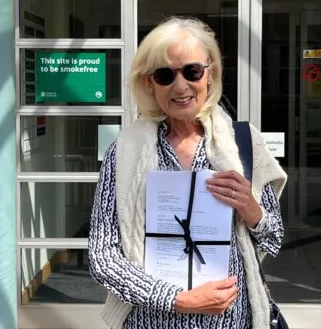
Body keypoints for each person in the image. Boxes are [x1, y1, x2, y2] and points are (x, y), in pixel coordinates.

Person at [88, 16, 287, 329]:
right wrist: (176, 299)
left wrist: (253, 211)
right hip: (150, 322)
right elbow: (103, 257)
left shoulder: (244, 143)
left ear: (210, 74)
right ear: (150, 83)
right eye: (165, 75)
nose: (180, 86)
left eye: (192, 71)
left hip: (228, 322)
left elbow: (273, 238)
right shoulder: (124, 152)